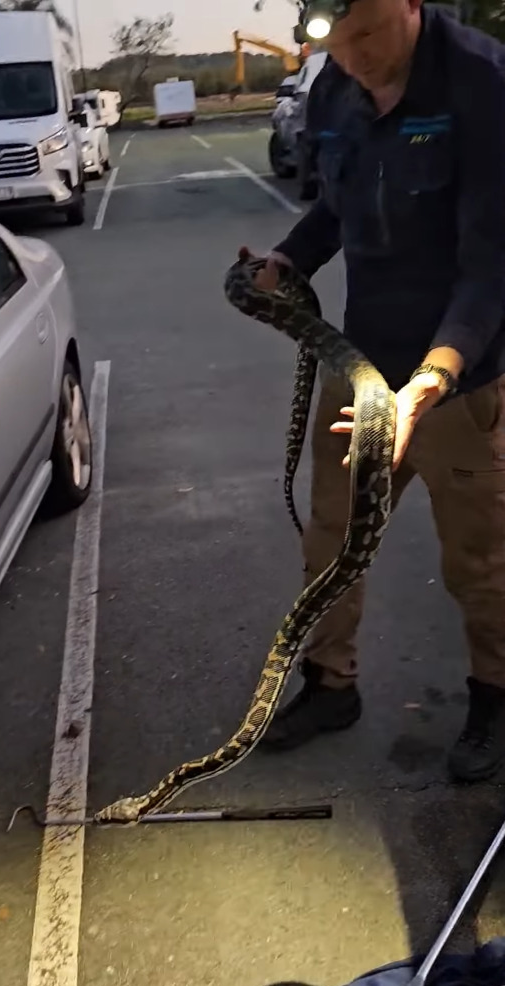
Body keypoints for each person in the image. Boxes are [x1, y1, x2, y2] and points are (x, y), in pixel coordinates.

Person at [252, 0, 505, 782]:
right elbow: (337, 202)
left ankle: (495, 700)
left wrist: (437, 373)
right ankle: (331, 687)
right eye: (338, 40)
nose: (354, 56)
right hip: (363, 372)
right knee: (334, 539)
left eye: (367, 32)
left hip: (460, 383)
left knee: (483, 559)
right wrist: (288, 261)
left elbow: (492, 260)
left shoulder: (483, 84)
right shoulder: (336, 87)